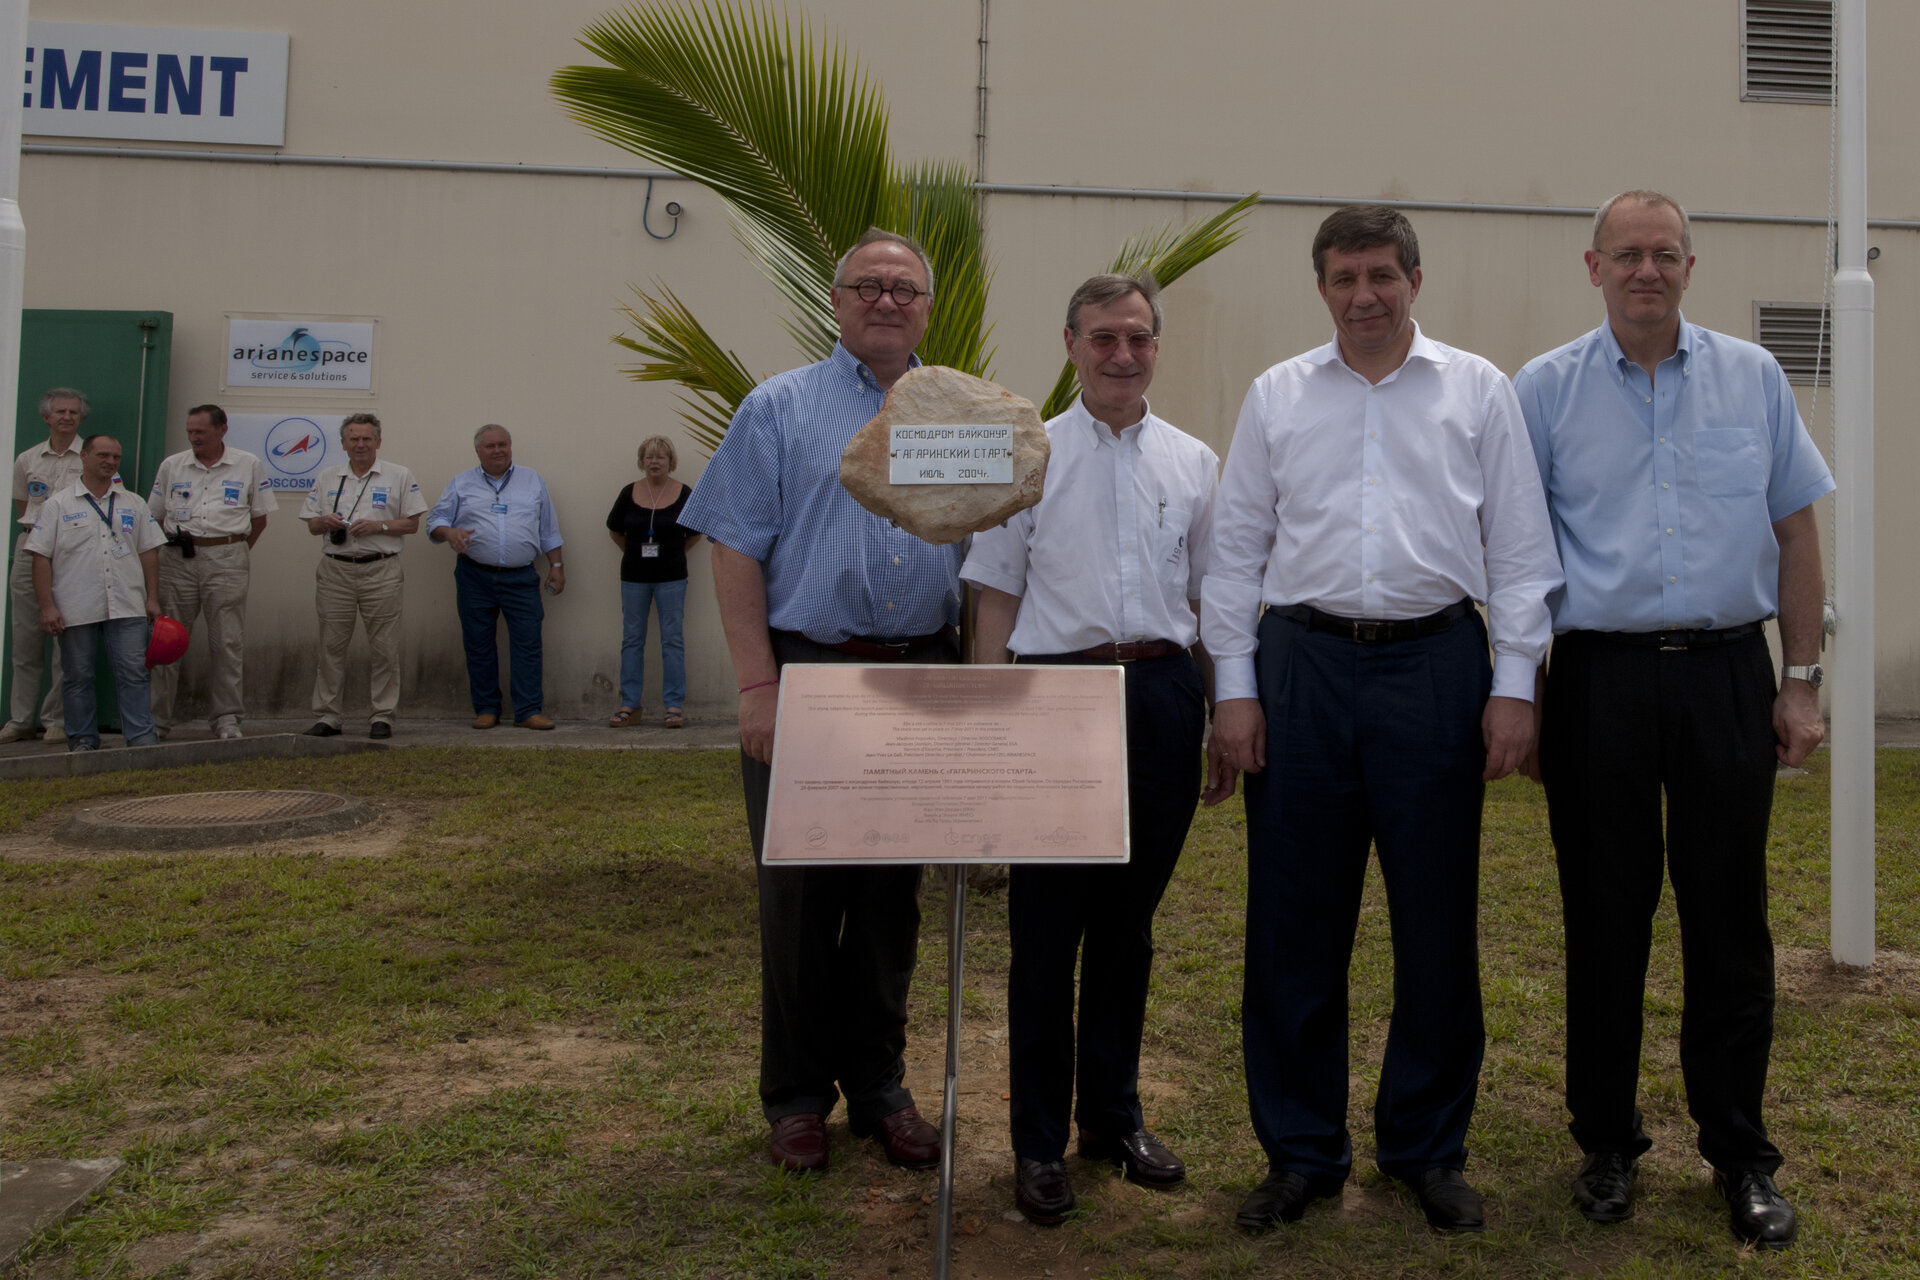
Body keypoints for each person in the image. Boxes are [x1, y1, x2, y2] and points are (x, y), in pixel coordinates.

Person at [1201, 205, 1562, 1234]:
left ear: (1415, 279)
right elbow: (1236, 552)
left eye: (1381, 275)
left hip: (1437, 666)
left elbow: (1524, 555)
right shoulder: (1278, 394)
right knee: (1292, 925)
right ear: (1321, 286)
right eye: (1343, 276)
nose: (1363, 294)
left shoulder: (1478, 389)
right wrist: (1235, 683)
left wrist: (1514, 683)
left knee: (1437, 923)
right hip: (1301, 666)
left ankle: (1425, 1146)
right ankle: (1302, 1150)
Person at [1514, 190, 1832, 1250]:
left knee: (1728, 922)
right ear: (1592, 265)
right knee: (1604, 922)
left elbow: (1795, 534)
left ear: (1692, 266)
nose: (1646, 270)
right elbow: (1514, 557)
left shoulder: (1752, 377)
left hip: (1725, 677)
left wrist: (1802, 679)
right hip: (1598, 680)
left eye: (1665, 254)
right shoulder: (1543, 391)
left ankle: (1739, 1152)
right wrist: (1519, 684)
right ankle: (1605, 1144)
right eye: (1627, 254)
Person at [679, 228, 960, 1176]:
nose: (887, 300)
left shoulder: (956, 412)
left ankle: (880, 1089)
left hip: (922, 677)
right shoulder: (778, 408)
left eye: (905, 288)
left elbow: (995, 552)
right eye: (868, 286)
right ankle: (797, 1097)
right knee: (797, 896)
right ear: (836, 301)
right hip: (809, 673)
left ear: (928, 306)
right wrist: (759, 684)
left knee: (892, 901)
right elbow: (733, 548)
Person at [962, 273, 1229, 1224]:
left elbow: (1208, 605)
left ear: (1157, 345)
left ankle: (1111, 1121)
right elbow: (995, 596)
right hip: (1052, 698)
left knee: (1127, 929)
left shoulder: (1195, 463)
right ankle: (1038, 1142)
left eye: (1139, 337)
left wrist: (1220, 710)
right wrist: (990, 725)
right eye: (1104, 337)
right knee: (1046, 936)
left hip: (1159, 698)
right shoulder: (1026, 460)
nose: (1123, 354)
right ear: (1069, 344)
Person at [26, 434, 165, 751]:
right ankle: (83, 739)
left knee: (134, 672)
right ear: (84, 457)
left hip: (127, 603)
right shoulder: (57, 505)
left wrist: (152, 597)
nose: (110, 462)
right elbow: (40, 557)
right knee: (77, 676)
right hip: (76, 604)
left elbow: (149, 552)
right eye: (103, 455)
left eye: (115, 457)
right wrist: (47, 607)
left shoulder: (133, 503)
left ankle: (141, 737)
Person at [147, 403, 277, 740]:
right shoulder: (172, 465)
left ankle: (226, 719)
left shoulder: (248, 465)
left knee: (227, 643)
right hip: (178, 561)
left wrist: (230, 551)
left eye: (200, 432)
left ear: (222, 430)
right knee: (166, 641)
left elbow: (259, 519)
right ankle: (155, 722)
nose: (193, 438)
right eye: (190, 432)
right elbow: (156, 516)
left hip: (228, 557)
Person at [426, 425, 565, 730]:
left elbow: (548, 529)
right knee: (479, 645)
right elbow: (435, 521)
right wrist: (450, 533)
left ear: (511, 447)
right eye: (490, 446)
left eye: (503, 444)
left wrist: (556, 566)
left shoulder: (532, 480)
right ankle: (487, 708)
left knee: (528, 645)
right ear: (478, 451)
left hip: (522, 578)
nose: (498, 450)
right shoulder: (461, 483)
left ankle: (528, 710)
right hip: (475, 577)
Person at [299, 414, 428, 740]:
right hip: (336, 570)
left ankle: (382, 716)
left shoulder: (399, 475)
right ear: (343, 443)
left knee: (384, 648)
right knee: (331, 646)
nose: (360, 445)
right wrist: (325, 522)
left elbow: (412, 523)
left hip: (381, 569)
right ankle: (328, 716)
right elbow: (311, 524)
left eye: (366, 439)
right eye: (353, 439)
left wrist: (378, 526)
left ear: (378, 442)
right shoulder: (327, 477)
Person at [4, 388, 89, 744]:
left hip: (71, 551)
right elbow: (23, 504)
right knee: (25, 640)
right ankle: (21, 719)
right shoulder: (27, 459)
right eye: (60, 412)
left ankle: (55, 718)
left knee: (65, 640)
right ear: (46, 417)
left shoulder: (90, 457)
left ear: (80, 418)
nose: (66, 417)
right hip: (30, 547)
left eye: (73, 412)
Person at [605, 435, 700, 729]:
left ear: (670, 461)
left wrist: (672, 555)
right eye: (649, 457)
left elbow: (695, 532)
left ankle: (673, 706)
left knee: (672, 640)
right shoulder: (628, 493)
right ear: (641, 461)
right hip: (634, 577)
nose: (654, 462)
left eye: (660, 457)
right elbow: (615, 530)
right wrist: (636, 554)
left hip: (671, 577)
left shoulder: (684, 493)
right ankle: (629, 705)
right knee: (632, 640)